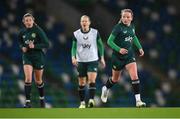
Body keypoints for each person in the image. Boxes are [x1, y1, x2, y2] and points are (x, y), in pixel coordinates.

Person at [101, 9, 146, 107]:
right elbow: (109, 41)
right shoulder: (118, 28)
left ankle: (138, 101)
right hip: (117, 57)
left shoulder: (132, 26)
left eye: (128, 17)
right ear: (121, 17)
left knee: (135, 76)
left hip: (129, 56)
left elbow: (133, 37)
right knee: (115, 79)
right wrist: (119, 49)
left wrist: (140, 48)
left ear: (131, 18)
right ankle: (105, 88)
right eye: (124, 17)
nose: (125, 19)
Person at [71, 15, 106, 108]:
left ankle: (91, 100)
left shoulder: (95, 32)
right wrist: (73, 57)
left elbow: (100, 45)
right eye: (82, 21)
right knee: (82, 83)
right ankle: (82, 103)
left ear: (89, 22)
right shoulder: (76, 34)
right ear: (80, 23)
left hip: (93, 60)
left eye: (86, 21)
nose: (84, 23)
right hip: (81, 61)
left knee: (91, 80)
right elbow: (74, 47)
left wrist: (102, 57)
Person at [18, 13, 49, 108]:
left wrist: (34, 46)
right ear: (24, 22)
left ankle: (42, 99)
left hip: (38, 57)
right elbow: (20, 42)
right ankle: (27, 102)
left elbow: (46, 44)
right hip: (27, 57)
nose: (28, 22)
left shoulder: (38, 31)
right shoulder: (22, 32)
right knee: (28, 79)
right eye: (26, 20)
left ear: (33, 20)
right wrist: (22, 47)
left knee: (38, 80)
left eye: (30, 20)